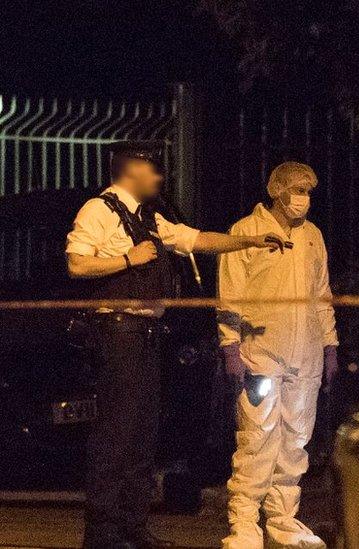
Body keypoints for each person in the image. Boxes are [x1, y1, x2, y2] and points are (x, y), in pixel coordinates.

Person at [65, 141, 284, 549]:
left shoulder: (148, 216)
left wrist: (251, 241)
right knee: (118, 435)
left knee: (143, 433)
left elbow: (197, 239)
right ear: (132, 170)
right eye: (154, 170)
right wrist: (128, 259)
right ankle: (102, 535)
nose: (160, 177)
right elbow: (77, 263)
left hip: (145, 334)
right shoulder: (98, 210)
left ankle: (132, 527)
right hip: (118, 330)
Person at [218, 161, 338, 549]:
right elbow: (229, 295)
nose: (303, 200)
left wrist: (330, 345)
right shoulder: (245, 232)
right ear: (277, 191)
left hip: (306, 356)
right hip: (261, 353)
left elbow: (322, 294)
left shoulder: (312, 236)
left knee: (295, 440)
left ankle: (283, 519)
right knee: (256, 436)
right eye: (297, 190)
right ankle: (244, 523)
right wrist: (230, 346)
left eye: (308, 192)